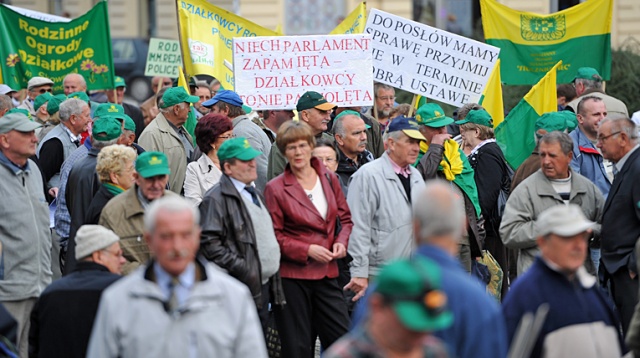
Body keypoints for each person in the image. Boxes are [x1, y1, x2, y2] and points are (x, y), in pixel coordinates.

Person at [87, 196, 267, 357]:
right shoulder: (118, 301)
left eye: (185, 235)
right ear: (149, 240)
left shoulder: (234, 297)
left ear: (197, 237)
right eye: (166, 236)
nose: (177, 246)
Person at [264, 121, 352, 357]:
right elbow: (275, 235)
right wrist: (306, 249)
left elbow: (346, 219)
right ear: (284, 152)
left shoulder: (329, 179)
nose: (298, 152)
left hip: (328, 272)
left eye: (302, 145)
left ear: (311, 146)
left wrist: (341, 241)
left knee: (342, 341)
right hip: (293, 277)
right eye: (291, 147)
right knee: (298, 348)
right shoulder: (276, 188)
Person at [503, 204, 624, 358]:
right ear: (542, 242)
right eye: (568, 237)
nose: (578, 245)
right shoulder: (527, 296)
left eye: (583, 236)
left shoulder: (592, 290)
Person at [199, 137, 285, 334]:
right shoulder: (215, 198)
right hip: (243, 286)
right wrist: (245, 268)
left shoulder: (253, 192)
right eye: (245, 161)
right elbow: (209, 244)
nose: (253, 164)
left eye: (252, 159)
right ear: (228, 168)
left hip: (262, 285)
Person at [500, 132, 604, 275]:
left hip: (578, 282)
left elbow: (607, 229)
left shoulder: (588, 189)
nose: (546, 161)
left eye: (552, 156)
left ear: (569, 157)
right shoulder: (526, 190)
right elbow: (509, 233)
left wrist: (589, 233)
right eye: (543, 155)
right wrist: (550, 227)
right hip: (539, 282)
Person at [346, 116, 426, 301]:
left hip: (411, 272)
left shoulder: (416, 176)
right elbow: (357, 227)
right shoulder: (368, 176)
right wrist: (359, 272)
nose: (416, 148)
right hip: (378, 274)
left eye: (419, 142)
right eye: (410, 142)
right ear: (391, 143)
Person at [29, 225, 125, 358]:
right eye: (117, 254)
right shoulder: (121, 289)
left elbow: (34, 347)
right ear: (98, 256)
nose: (123, 260)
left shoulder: (50, 293)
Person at [325, 257, 452, 358]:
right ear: (377, 306)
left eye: (427, 324)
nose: (421, 332)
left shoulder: (437, 352)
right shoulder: (345, 355)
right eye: (409, 322)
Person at [0, 112, 51, 357]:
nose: (34, 138)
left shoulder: (33, 169)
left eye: (34, 132)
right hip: (8, 293)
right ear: (5, 140)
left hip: (38, 286)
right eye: (26, 133)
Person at [415, 103, 484, 272]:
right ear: (421, 131)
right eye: (435, 128)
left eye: (443, 127)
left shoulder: (456, 153)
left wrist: (478, 236)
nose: (442, 133)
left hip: (463, 237)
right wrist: (435, 147)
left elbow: (471, 193)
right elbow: (424, 176)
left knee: (462, 290)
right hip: (435, 239)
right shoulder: (416, 154)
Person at [457, 108, 510, 296]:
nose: (462, 134)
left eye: (465, 130)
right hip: (486, 228)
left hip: (489, 230)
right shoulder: (487, 151)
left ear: (477, 132)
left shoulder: (488, 153)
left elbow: (486, 195)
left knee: (491, 278)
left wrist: (478, 223)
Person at [99, 151, 178, 274]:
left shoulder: (179, 207)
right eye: (150, 179)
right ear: (136, 177)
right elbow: (107, 257)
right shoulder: (113, 211)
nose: (156, 185)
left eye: (161, 178)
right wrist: (146, 273)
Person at [64, 116, 124, 274]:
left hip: (77, 249)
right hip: (98, 254)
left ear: (91, 138)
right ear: (119, 143)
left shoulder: (77, 165)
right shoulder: (107, 174)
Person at [597, 116, 640, 334]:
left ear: (622, 138)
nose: (598, 144)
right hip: (619, 270)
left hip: (630, 274)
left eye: (603, 138)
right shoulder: (627, 167)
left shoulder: (638, 168)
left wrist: (632, 267)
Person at [203, 90, 272, 191]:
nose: (209, 114)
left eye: (213, 110)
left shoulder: (241, 132)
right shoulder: (244, 128)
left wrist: (258, 202)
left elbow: (259, 171)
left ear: (226, 110)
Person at [139, 87, 197, 194]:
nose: (190, 109)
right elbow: (148, 174)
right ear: (176, 109)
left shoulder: (182, 130)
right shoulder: (151, 134)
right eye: (188, 105)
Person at [267, 91, 336, 180]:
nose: (328, 118)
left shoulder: (330, 141)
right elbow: (276, 187)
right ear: (305, 115)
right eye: (322, 112)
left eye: (328, 113)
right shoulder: (283, 144)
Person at [37, 98, 90, 195]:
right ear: (73, 119)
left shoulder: (70, 137)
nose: (89, 120)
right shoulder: (55, 144)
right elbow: (40, 178)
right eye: (87, 116)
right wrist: (50, 192)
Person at [183, 113, 233, 206]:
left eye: (232, 136)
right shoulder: (195, 169)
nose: (232, 141)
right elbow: (194, 205)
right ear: (211, 141)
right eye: (227, 137)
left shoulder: (238, 164)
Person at [85, 144, 137, 225]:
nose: (135, 173)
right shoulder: (108, 209)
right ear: (114, 177)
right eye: (130, 169)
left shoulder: (110, 197)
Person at [333, 110, 375, 187]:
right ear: (339, 139)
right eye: (357, 133)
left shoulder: (370, 159)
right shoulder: (330, 166)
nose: (364, 137)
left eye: (364, 131)